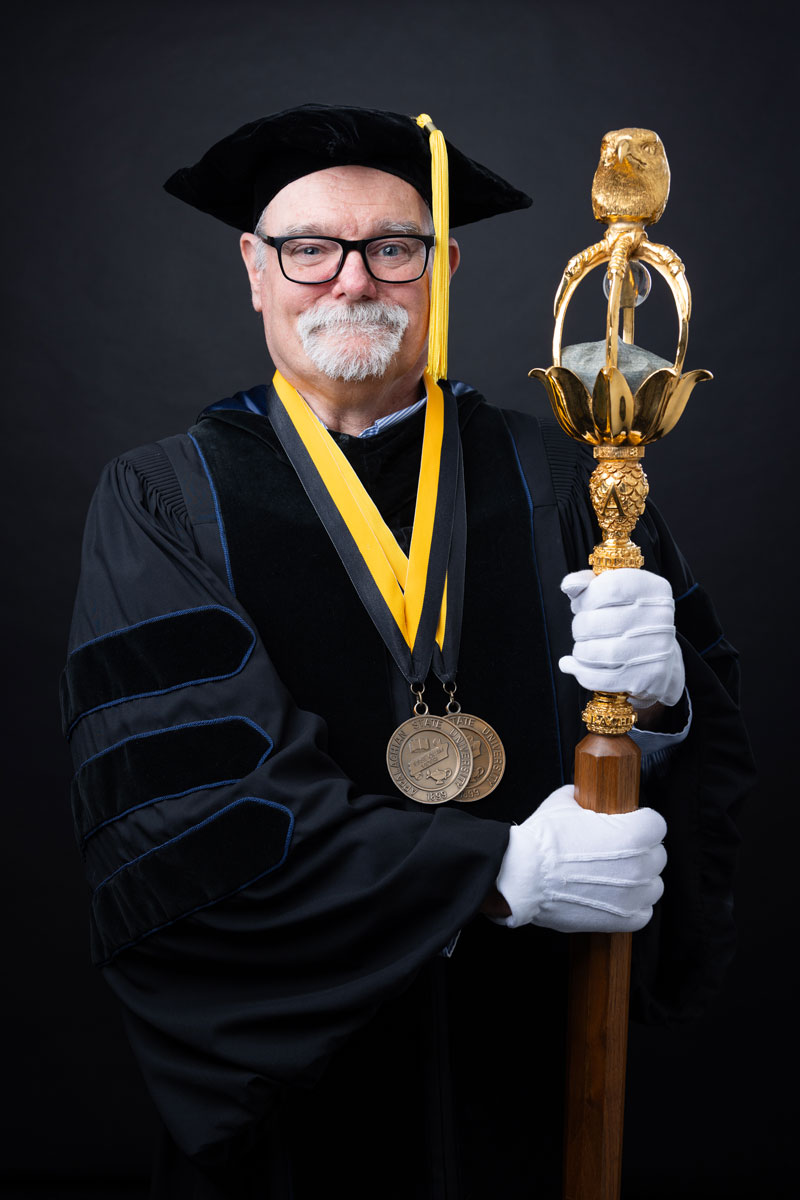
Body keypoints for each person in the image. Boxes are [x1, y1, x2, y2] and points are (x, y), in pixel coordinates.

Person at [61, 105, 750, 1199]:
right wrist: (497, 876)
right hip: (304, 1102)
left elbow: (703, 782)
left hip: (540, 1051)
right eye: (308, 249)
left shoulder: (566, 478)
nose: (350, 281)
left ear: (444, 268)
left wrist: (663, 714)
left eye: (392, 248)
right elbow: (189, 819)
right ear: (253, 267)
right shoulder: (166, 500)